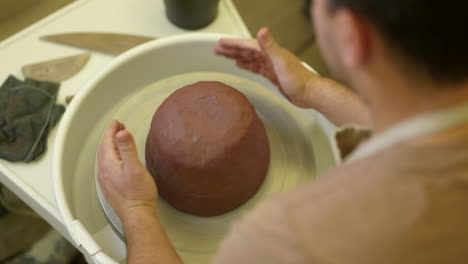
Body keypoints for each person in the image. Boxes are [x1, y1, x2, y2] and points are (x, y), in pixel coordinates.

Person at [97, 0, 468, 262]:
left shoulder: (288, 240)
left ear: (352, 36)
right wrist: (310, 89)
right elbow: (412, 138)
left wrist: (137, 209)